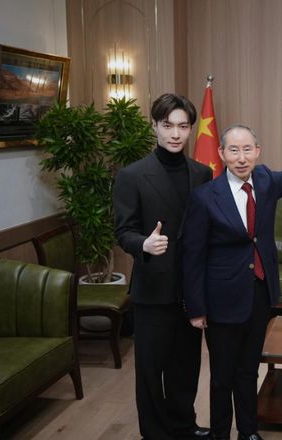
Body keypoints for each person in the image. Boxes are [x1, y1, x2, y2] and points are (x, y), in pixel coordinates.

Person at [113, 93, 212, 440]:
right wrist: (143, 244)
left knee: (186, 366)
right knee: (151, 371)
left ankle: (183, 425)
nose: (175, 134)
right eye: (168, 125)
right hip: (153, 289)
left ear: (191, 129)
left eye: (183, 126)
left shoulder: (202, 173)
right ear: (154, 125)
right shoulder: (132, 175)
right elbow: (123, 231)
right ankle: (155, 433)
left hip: (190, 290)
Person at [182, 124, 282, 440]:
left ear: (257, 151)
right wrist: (196, 308)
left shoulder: (267, 180)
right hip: (221, 299)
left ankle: (249, 432)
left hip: (259, 293)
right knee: (222, 377)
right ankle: (220, 434)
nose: (241, 158)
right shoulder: (204, 197)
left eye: (247, 150)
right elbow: (193, 256)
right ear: (221, 153)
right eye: (233, 150)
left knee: (248, 370)